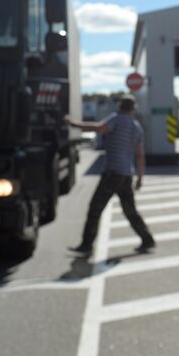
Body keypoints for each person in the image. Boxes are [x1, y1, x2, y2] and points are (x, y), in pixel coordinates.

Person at [66, 96, 156, 255]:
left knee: (95, 209)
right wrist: (140, 179)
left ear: (120, 106)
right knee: (130, 211)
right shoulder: (137, 128)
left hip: (112, 174)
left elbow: (99, 128)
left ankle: (86, 246)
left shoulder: (116, 119)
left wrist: (74, 124)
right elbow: (140, 156)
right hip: (126, 175)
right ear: (133, 109)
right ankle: (147, 240)